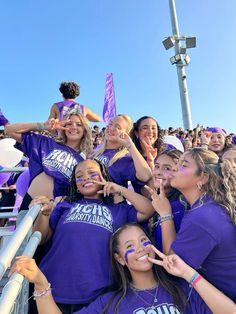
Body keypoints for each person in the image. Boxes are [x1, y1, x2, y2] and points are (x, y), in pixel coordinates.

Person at [11, 223, 236, 314]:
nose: (140, 249)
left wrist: (187, 273)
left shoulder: (182, 290)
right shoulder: (111, 302)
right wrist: (40, 282)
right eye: (130, 246)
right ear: (120, 259)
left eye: (143, 241)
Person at [28, 159, 154, 313]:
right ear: (76, 186)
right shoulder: (65, 206)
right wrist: (45, 215)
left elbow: (148, 209)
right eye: (79, 177)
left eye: (92, 173)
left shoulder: (119, 210)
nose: (85, 178)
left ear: (104, 177)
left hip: (98, 295)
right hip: (52, 288)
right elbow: (42, 238)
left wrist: (120, 189)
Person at [147, 147, 236, 301]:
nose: (175, 167)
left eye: (184, 165)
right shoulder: (210, 206)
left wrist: (165, 213)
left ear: (202, 178)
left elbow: (173, 264)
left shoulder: (202, 217)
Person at [4, 112, 92, 210]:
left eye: (79, 124)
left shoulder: (83, 163)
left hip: (55, 212)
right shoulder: (46, 142)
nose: (73, 127)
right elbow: (9, 130)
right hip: (30, 205)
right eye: (69, 123)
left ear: (85, 130)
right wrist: (42, 126)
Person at [93, 114, 152, 193]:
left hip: (110, 204)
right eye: (110, 124)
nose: (111, 128)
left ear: (126, 134)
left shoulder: (125, 158)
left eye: (118, 127)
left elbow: (146, 176)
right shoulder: (95, 152)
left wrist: (130, 145)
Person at [148, 149, 185, 252]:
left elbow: (171, 254)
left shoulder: (179, 206)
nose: (159, 172)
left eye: (167, 168)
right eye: (157, 166)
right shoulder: (161, 201)